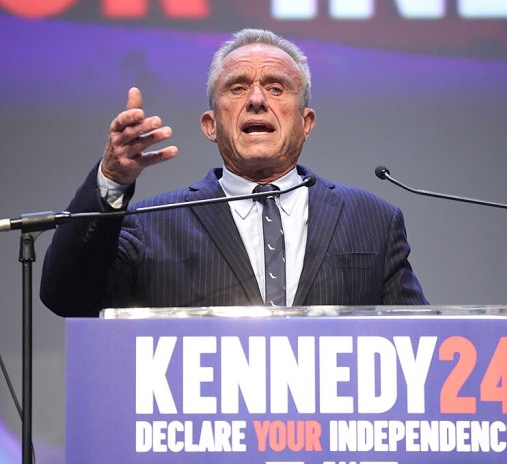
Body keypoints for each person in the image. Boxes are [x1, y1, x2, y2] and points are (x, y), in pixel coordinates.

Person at [40, 28, 426, 317]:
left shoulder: (373, 220)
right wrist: (111, 178)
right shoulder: (151, 227)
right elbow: (67, 298)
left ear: (306, 122)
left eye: (276, 88)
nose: (256, 100)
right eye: (238, 88)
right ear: (210, 124)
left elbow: (418, 344)